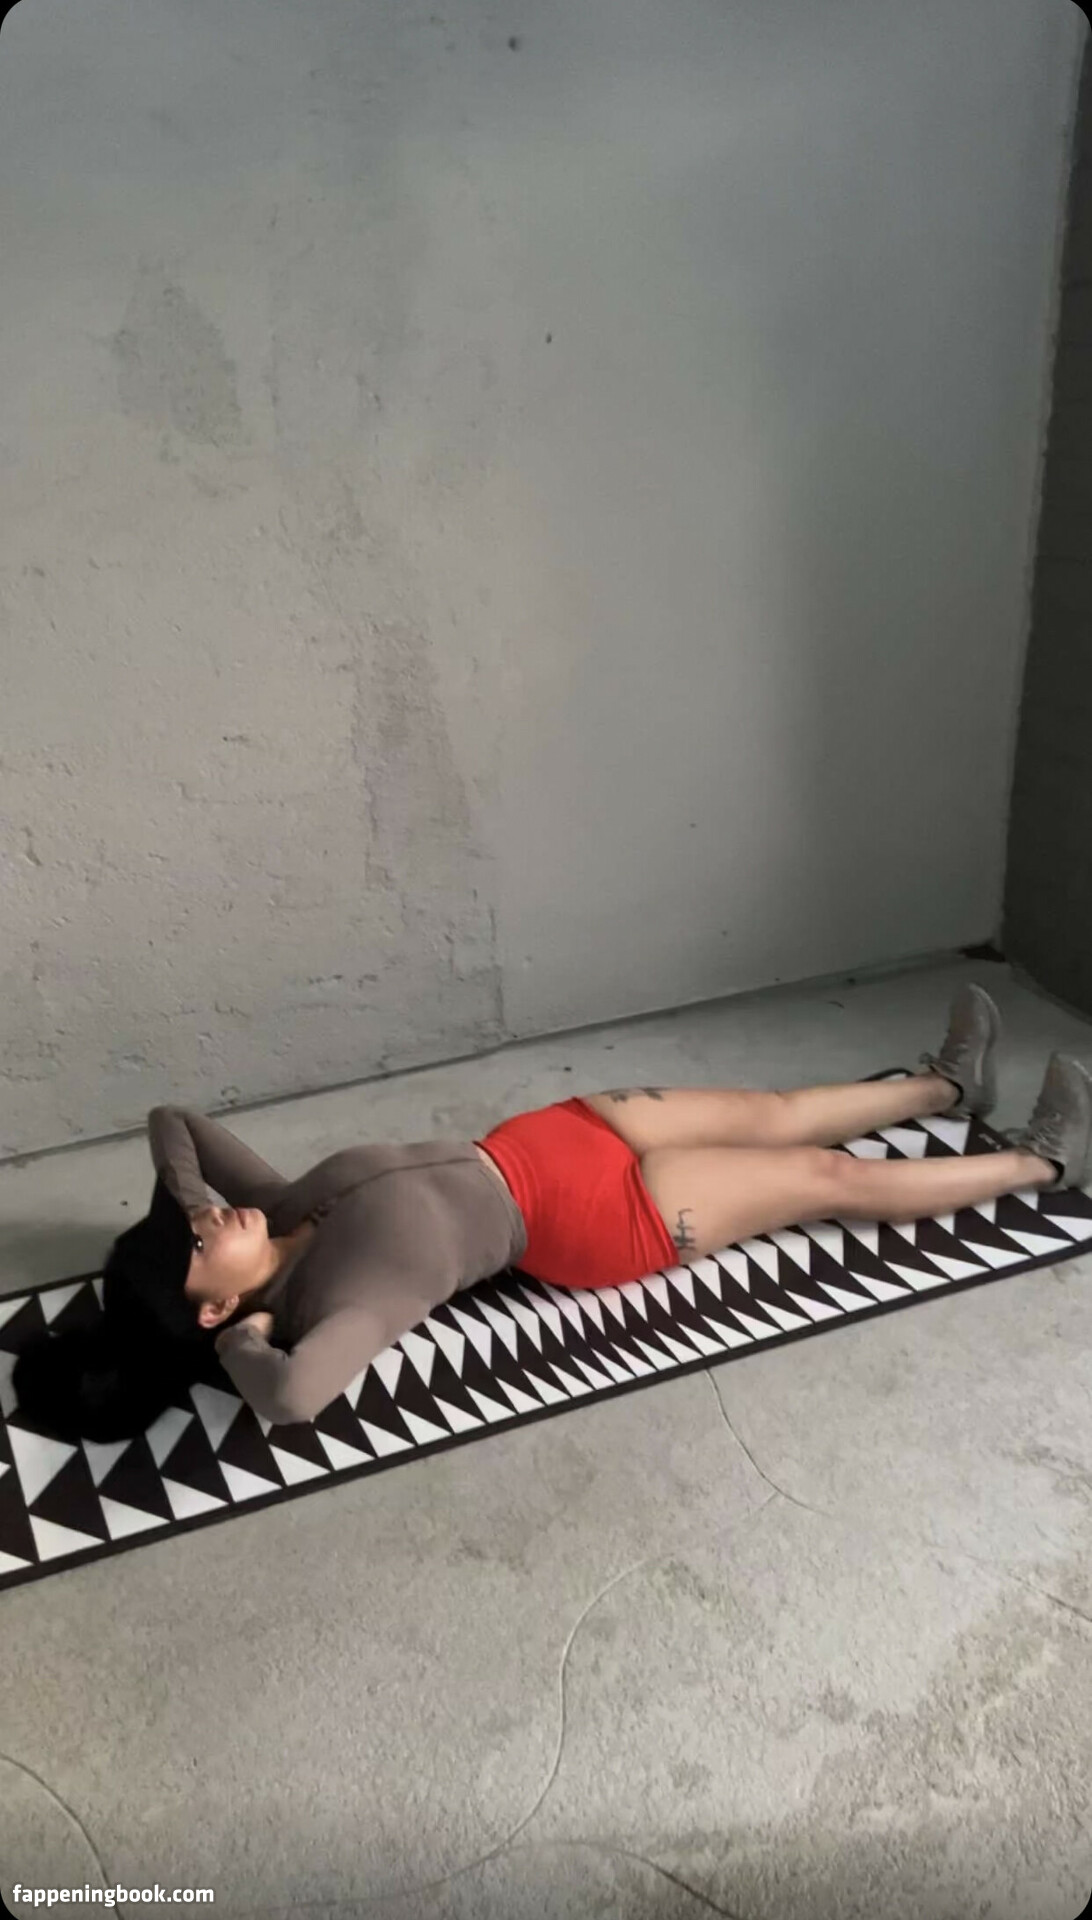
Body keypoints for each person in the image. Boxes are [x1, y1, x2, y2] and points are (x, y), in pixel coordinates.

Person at [14, 983, 1091, 1438]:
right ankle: (1043, 1165)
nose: (209, 1221)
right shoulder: (346, 1299)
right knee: (824, 1178)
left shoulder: (271, 1206)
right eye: (197, 1246)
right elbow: (294, 1399)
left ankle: (949, 1087)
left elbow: (173, 1121)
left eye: (196, 1218)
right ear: (213, 1310)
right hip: (601, 1222)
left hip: (552, 1137)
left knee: (778, 1111)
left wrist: (194, 1208)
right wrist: (241, 1344)